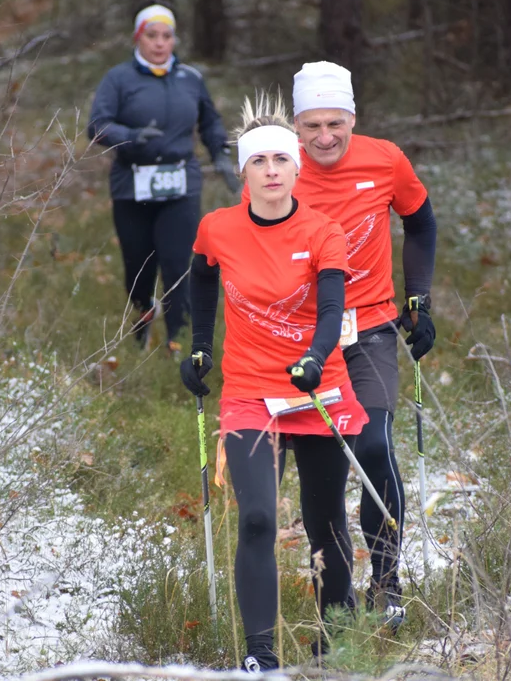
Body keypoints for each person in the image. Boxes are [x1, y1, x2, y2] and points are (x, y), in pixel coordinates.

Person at [179, 93, 368, 671]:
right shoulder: (217, 229)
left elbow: (333, 309)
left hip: (318, 388)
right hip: (249, 392)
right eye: (258, 162)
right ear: (244, 171)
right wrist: (202, 348)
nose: (270, 172)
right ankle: (259, 654)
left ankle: (337, 635)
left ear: (296, 167)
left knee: (325, 518)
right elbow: (202, 281)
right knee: (258, 517)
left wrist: (314, 356)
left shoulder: (323, 231)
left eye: (280, 162)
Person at [275, 61, 438, 629]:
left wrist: (417, 299)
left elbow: (421, 223)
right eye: (311, 126)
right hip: (299, 340)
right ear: (294, 127)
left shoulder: (385, 159)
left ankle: (388, 583)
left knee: (373, 448)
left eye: (335, 124)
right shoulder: (279, 169)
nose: (324, 138)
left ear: (352, 118)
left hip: (369, 330)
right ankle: (333, 594)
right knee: (321, 471)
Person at [87, 0, 241, 356]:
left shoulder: (190, 78)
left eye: (166, 36)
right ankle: (143, 318)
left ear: (174, 40)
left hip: (180, 185)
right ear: (137, 38)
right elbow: (96, 125)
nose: (159, 43)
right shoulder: (119, 78)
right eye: (151, 35)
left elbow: (210, 121)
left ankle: (180, 344)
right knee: (139, 268)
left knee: (179, 265)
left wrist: (220, 154)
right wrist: (130, 135)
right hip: (132, 185)